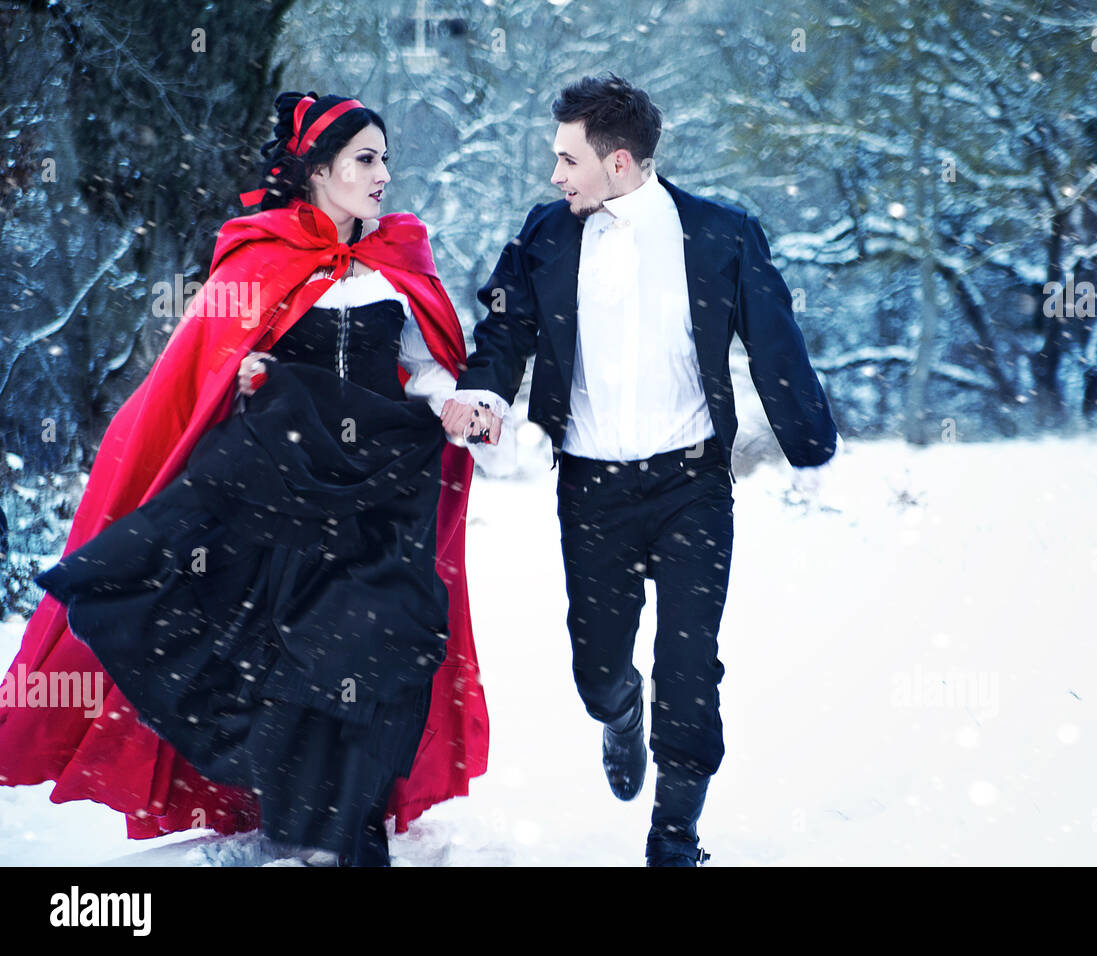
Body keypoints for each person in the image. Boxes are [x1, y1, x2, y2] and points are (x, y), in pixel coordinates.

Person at [0, 91, 497, 866]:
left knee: (379, 649)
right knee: (283, 658)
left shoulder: (399, 260)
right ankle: (307, 830)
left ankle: (342, 829)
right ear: (317, 170)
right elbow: (204, 369)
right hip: (282, 492)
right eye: (365, 160)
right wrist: (250, 373)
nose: (382, 176)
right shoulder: (258, 255)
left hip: (381, 495)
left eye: (385, 160)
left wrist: (458, 403)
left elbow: (429, 370)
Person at [440, 73, 837, 866]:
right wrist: (483, 389)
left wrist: (808, 441)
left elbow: (774, 336)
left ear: (619, 162)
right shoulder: (547, 235)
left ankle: (675, 836)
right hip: (590, 490)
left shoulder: (721, 232)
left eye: (567, 159)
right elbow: (506, 329)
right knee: (597, 672)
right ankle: (622, 717)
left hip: (691, 486)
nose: (555, 176)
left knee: (690, 665)